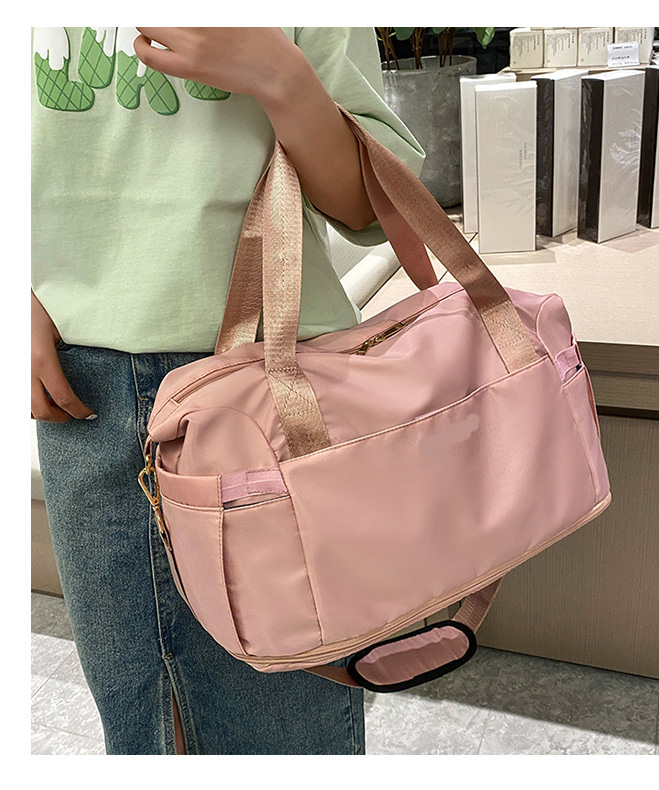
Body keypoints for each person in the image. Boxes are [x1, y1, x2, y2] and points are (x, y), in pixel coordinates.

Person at [31, 27, 424, 755]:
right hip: (80, 387)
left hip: (269, 383)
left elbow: (372, 206)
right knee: (140, 727)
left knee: (287, 729)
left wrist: (282, 76)